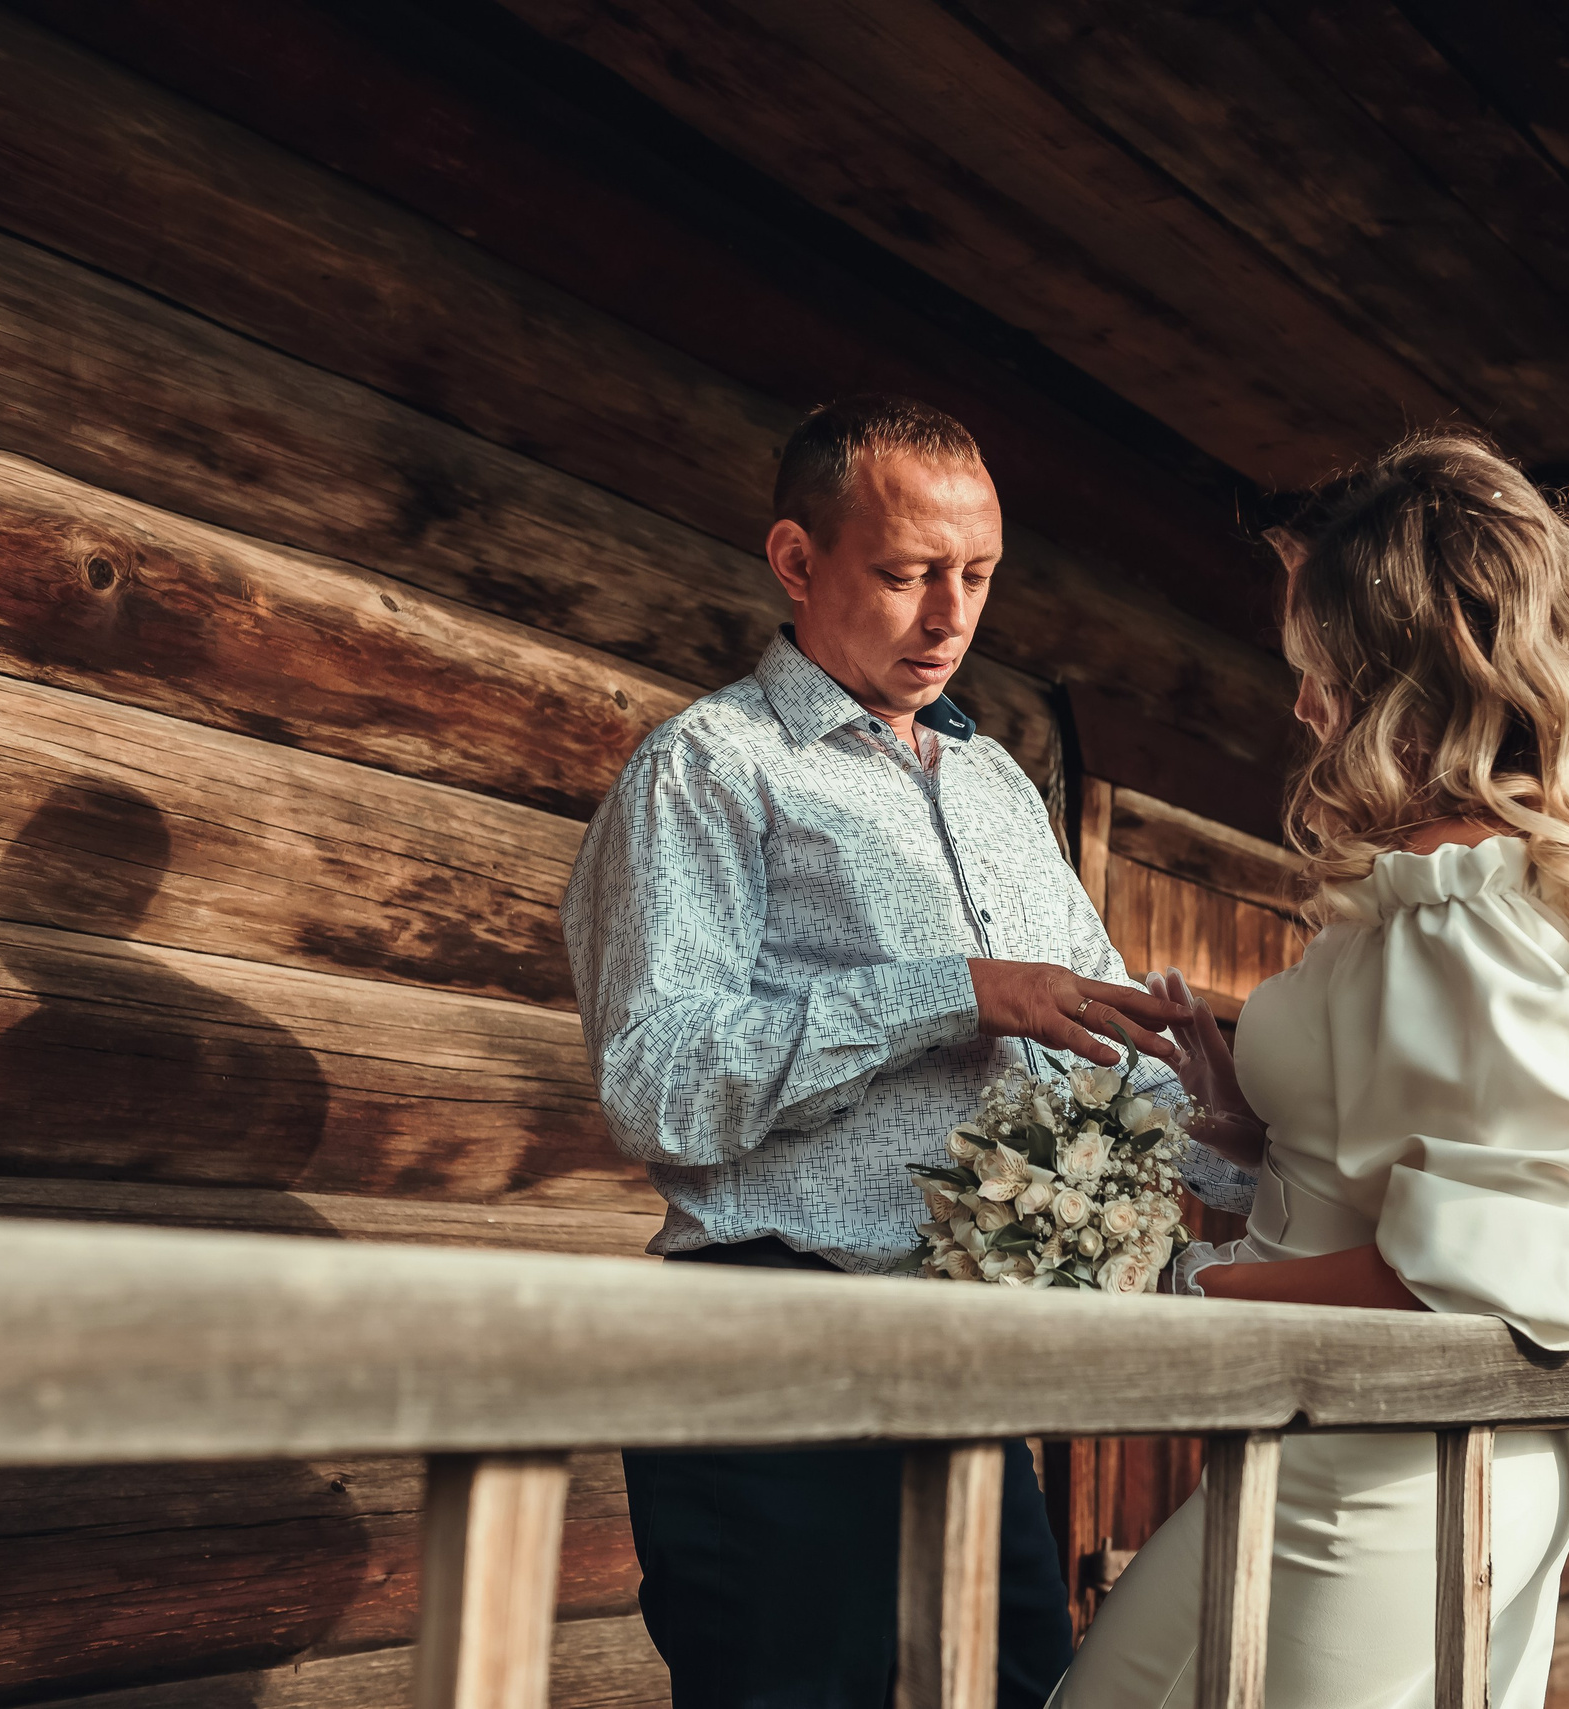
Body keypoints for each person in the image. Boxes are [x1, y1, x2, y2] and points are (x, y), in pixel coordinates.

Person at [561, 394, 1256, 1709]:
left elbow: (1110, 1051)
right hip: (771, 1366)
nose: (949, 617)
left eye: (977, 576)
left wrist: (1274, 1166)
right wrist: (950, 994)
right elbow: (656, 1083)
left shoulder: (1001, 792)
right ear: (796, 559)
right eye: (905, 573)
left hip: (970, 1379)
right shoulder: (709, 770)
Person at [1053, 430, 1569, 1709]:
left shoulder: (1456, 904)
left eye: (1316, 668)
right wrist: (1252, 1126)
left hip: (1380, 1484)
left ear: (1397, 673)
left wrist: (1192, 1287)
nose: (1304, 703)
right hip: (1360, 1455)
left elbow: (1501, 1261)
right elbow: (1433, 1171)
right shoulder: (1461, 890)